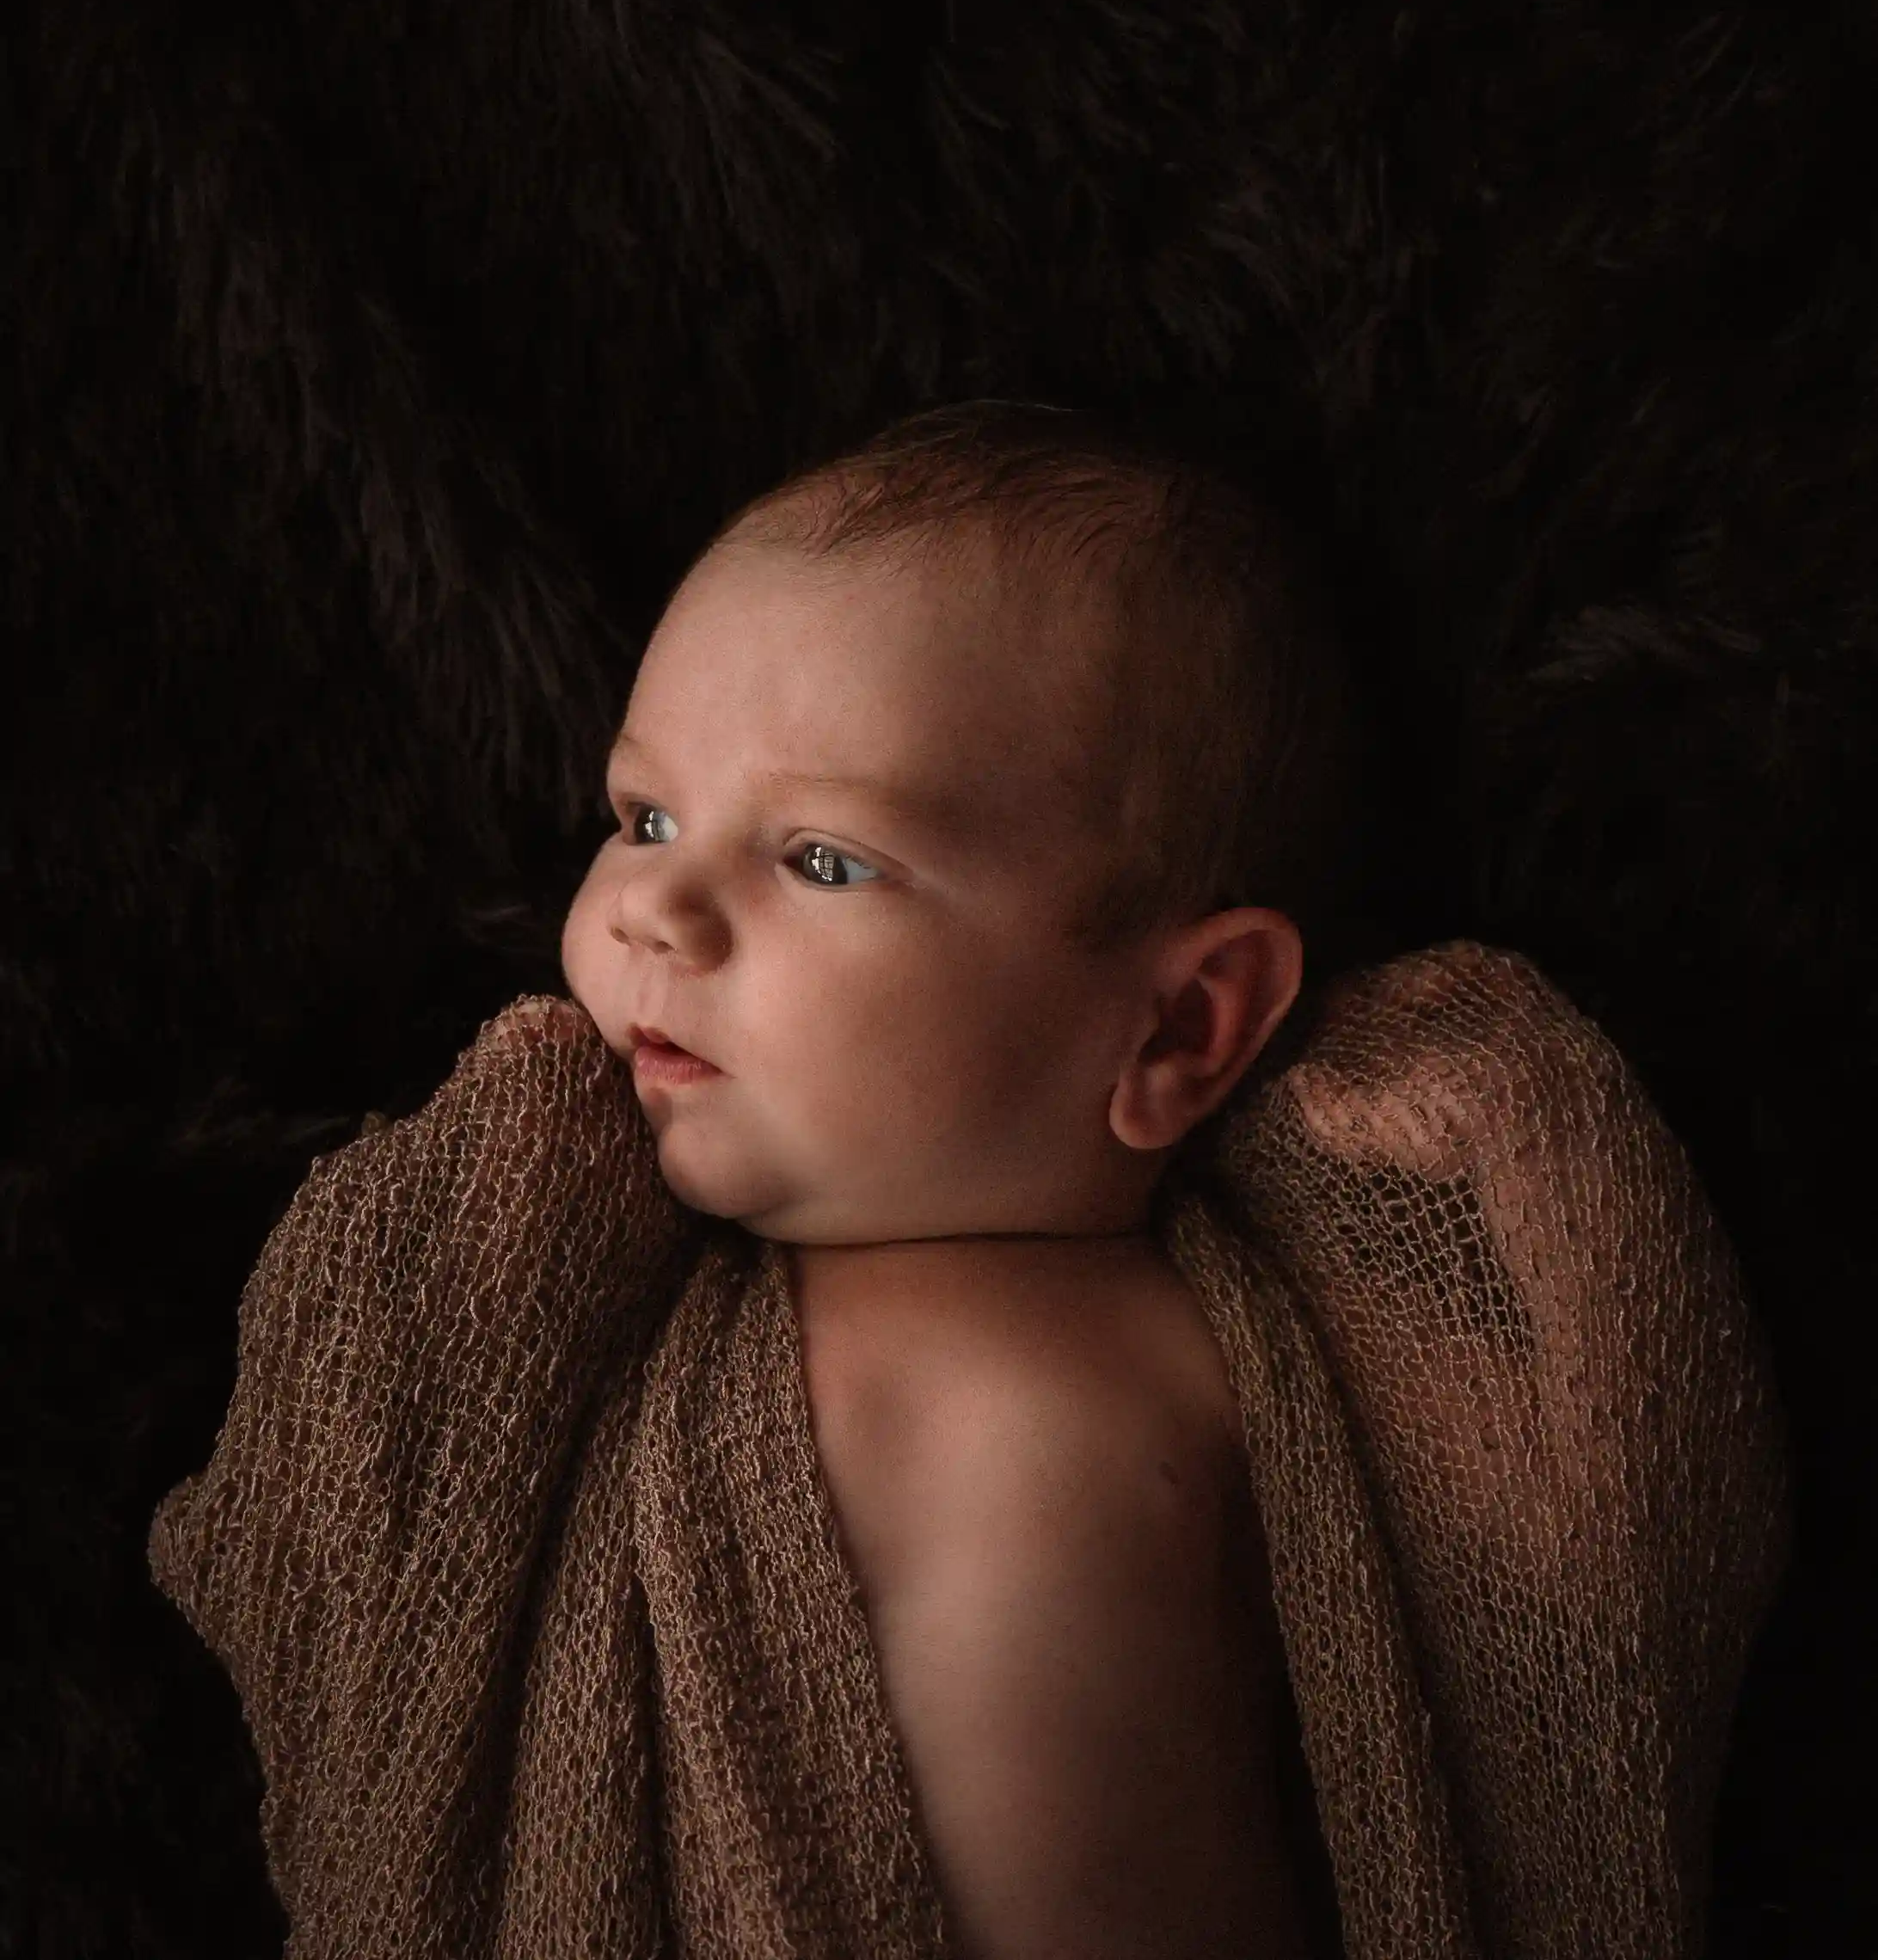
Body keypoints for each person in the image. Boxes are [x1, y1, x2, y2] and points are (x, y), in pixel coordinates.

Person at [149, 399, 1789, 1960]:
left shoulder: (1053, 1412)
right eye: (645, 814)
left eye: (820, 860)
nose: (657, 910)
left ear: (1181, 1028)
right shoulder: (676, 1307)